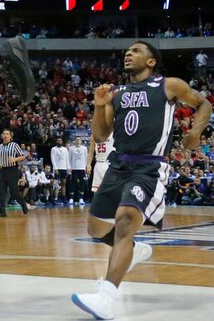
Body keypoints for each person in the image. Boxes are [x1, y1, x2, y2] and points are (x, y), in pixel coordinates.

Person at [72, 41, 212, 319]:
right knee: (95, 228)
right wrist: (99, 106)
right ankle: (132, 251)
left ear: (150, 61)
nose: (128, 53)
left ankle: (107, 297)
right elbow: (100, 136)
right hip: (118, 164)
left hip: (149, 166)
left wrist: (196, 132)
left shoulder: (168, 85)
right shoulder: (117, 93)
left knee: (125, 221)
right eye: (127, 51)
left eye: (136, 51)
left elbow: (204, 103)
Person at [0, 129, 33, 218]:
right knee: (1, 192)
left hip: (12, 170)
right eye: (4, 134)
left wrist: (15, 159)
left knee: (14, 192)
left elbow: (23, 156)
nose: (5, 135)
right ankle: (2, 212)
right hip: (2, 170)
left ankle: (23, 205)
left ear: (10, 136)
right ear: (2, 136)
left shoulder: (14, 145)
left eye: (7, 134)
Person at [87, 131, 115, 196]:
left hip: (110, 163)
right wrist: (88, 164)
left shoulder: (114, 133)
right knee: (96, 191)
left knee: (111, 189)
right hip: (98, 163)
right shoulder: (94, 134)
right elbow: (91, 151)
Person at [50, 137, 70, 204]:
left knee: (63, 184)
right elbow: (52, 159)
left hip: (64, 168)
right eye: (58, 140)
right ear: (56, 141)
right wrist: (55, 168)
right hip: (57, 169)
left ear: (62, 142)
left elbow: (67, 159)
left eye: (60, 140)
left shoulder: (65, 149)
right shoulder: (53, 149)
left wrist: (68, 168)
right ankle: (53, 198)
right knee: (55, 184)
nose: (59, 141)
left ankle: (63, 198)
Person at [69, 137, 88, 205]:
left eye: (79, 140)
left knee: (82, 183)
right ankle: (71, 198)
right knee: (73, 183)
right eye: (76, 140)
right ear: (74, 141)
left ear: (81, 141)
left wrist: (85, 167)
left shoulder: (84, 148)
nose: (77, 141)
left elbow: (86, 158)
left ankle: (81, 199)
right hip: (74, 168)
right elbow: (69, 158)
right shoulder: (71, 148)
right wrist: (70, 167)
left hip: (82, 168)